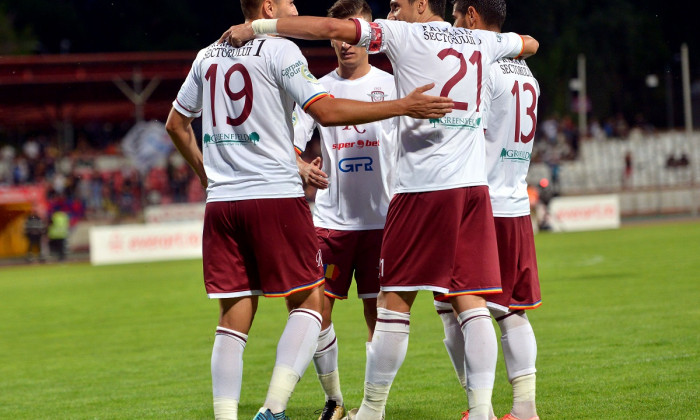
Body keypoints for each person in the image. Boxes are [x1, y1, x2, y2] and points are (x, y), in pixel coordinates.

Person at [220, 3, 538, 420]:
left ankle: (370, 411)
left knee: (392, 305)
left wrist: (258, 26)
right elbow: (529, 43)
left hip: (420, 190)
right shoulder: (482, 41)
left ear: (421, 5)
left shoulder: (404, 36)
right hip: (472, 191)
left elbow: (330, 27)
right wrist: (510, 46)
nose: (390, 12)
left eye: (397, 5)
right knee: (471, 300)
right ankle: (482, 412)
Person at [166, 1, 452, 420]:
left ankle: (232, 414)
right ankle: (288, 406)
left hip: (228, 202)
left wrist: (207, 175)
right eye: (288, 3)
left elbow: (176, 124)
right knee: (311, 303)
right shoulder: (283, 52)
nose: (295, 9)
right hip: (285, 201)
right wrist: (403, 107)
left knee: (234, 313)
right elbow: (325, 112)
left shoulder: (206, 55)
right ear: (267, 7)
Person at [292, 2, 396, 419]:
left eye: (352, 35)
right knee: (316, 311)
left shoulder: (393, 86)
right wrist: (300, 166)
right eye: (337, 35)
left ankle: (375, 408)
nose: (344, 43)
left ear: (369, 35)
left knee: (381, 318)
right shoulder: (317, 89)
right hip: (332, 222)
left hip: (382, 222)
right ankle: (334, 401)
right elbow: (292, 146)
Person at [441, 2, 542, 419]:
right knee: (511, 309)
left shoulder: (484, 64)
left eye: (453, 16)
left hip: (480, 204)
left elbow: (468, 130)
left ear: (470, 16)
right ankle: (524, 409)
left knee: (454, 306)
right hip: (515, 201)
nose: (450, 24)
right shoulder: (527, 72)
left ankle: (477, 406)